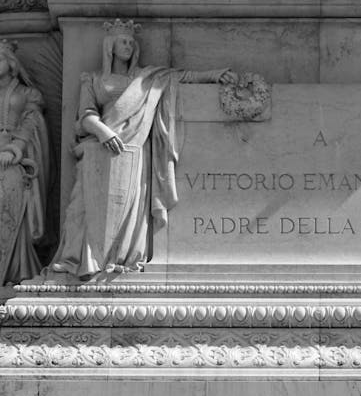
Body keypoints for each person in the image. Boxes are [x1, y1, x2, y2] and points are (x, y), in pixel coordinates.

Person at [49, 18, 236, 279]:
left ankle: (119, 258)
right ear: (110, 47)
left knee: (127, 209)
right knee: (82, 209)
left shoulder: (147, 78)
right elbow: (86, 116)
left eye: (130, 42)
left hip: (134, 151)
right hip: (101, 151)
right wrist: (103, 131)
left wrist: (212, 74)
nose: (127, 46)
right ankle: (85, 260)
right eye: (122, 41)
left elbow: (181, 76)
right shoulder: (93, 80)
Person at [0, 39, 50, 285]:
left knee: (12, 214)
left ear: (11, 64)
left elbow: (32, 121)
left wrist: (15, 147)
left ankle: (16, 271)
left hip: (12, 160)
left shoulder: (26, 94)